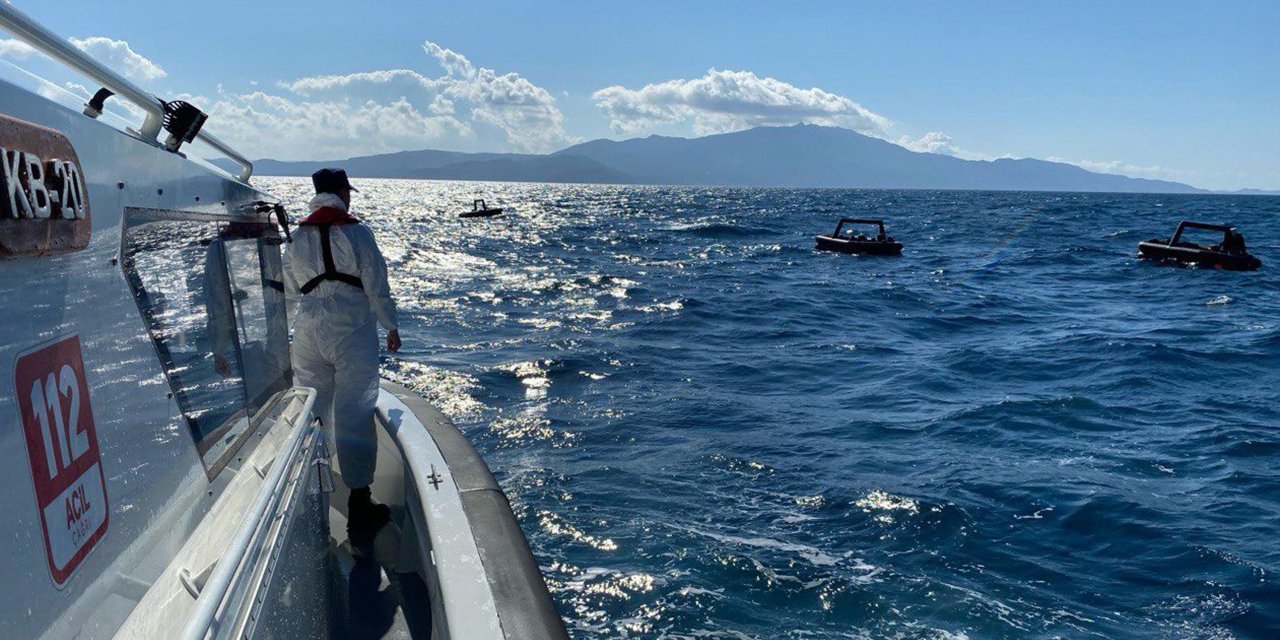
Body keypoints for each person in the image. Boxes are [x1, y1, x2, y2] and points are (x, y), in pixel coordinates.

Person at [284, 168, 401, 530]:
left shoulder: (297, 236)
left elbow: (287, 290)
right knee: (355, 412)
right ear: (340, 193)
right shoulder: (358, 232)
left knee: (311, 412)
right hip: (350, 333)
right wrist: (391, 325)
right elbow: (376, 284)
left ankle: (305, 498)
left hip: (307, 332)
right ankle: (359, 505)